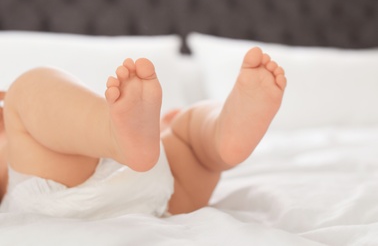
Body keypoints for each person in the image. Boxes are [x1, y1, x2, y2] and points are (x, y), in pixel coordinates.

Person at [0, 47, 286, 219]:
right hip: (157, 191)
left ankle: (220, 132)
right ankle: (218, 134)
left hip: (144, 191)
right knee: (26, 89)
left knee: (184, 130)